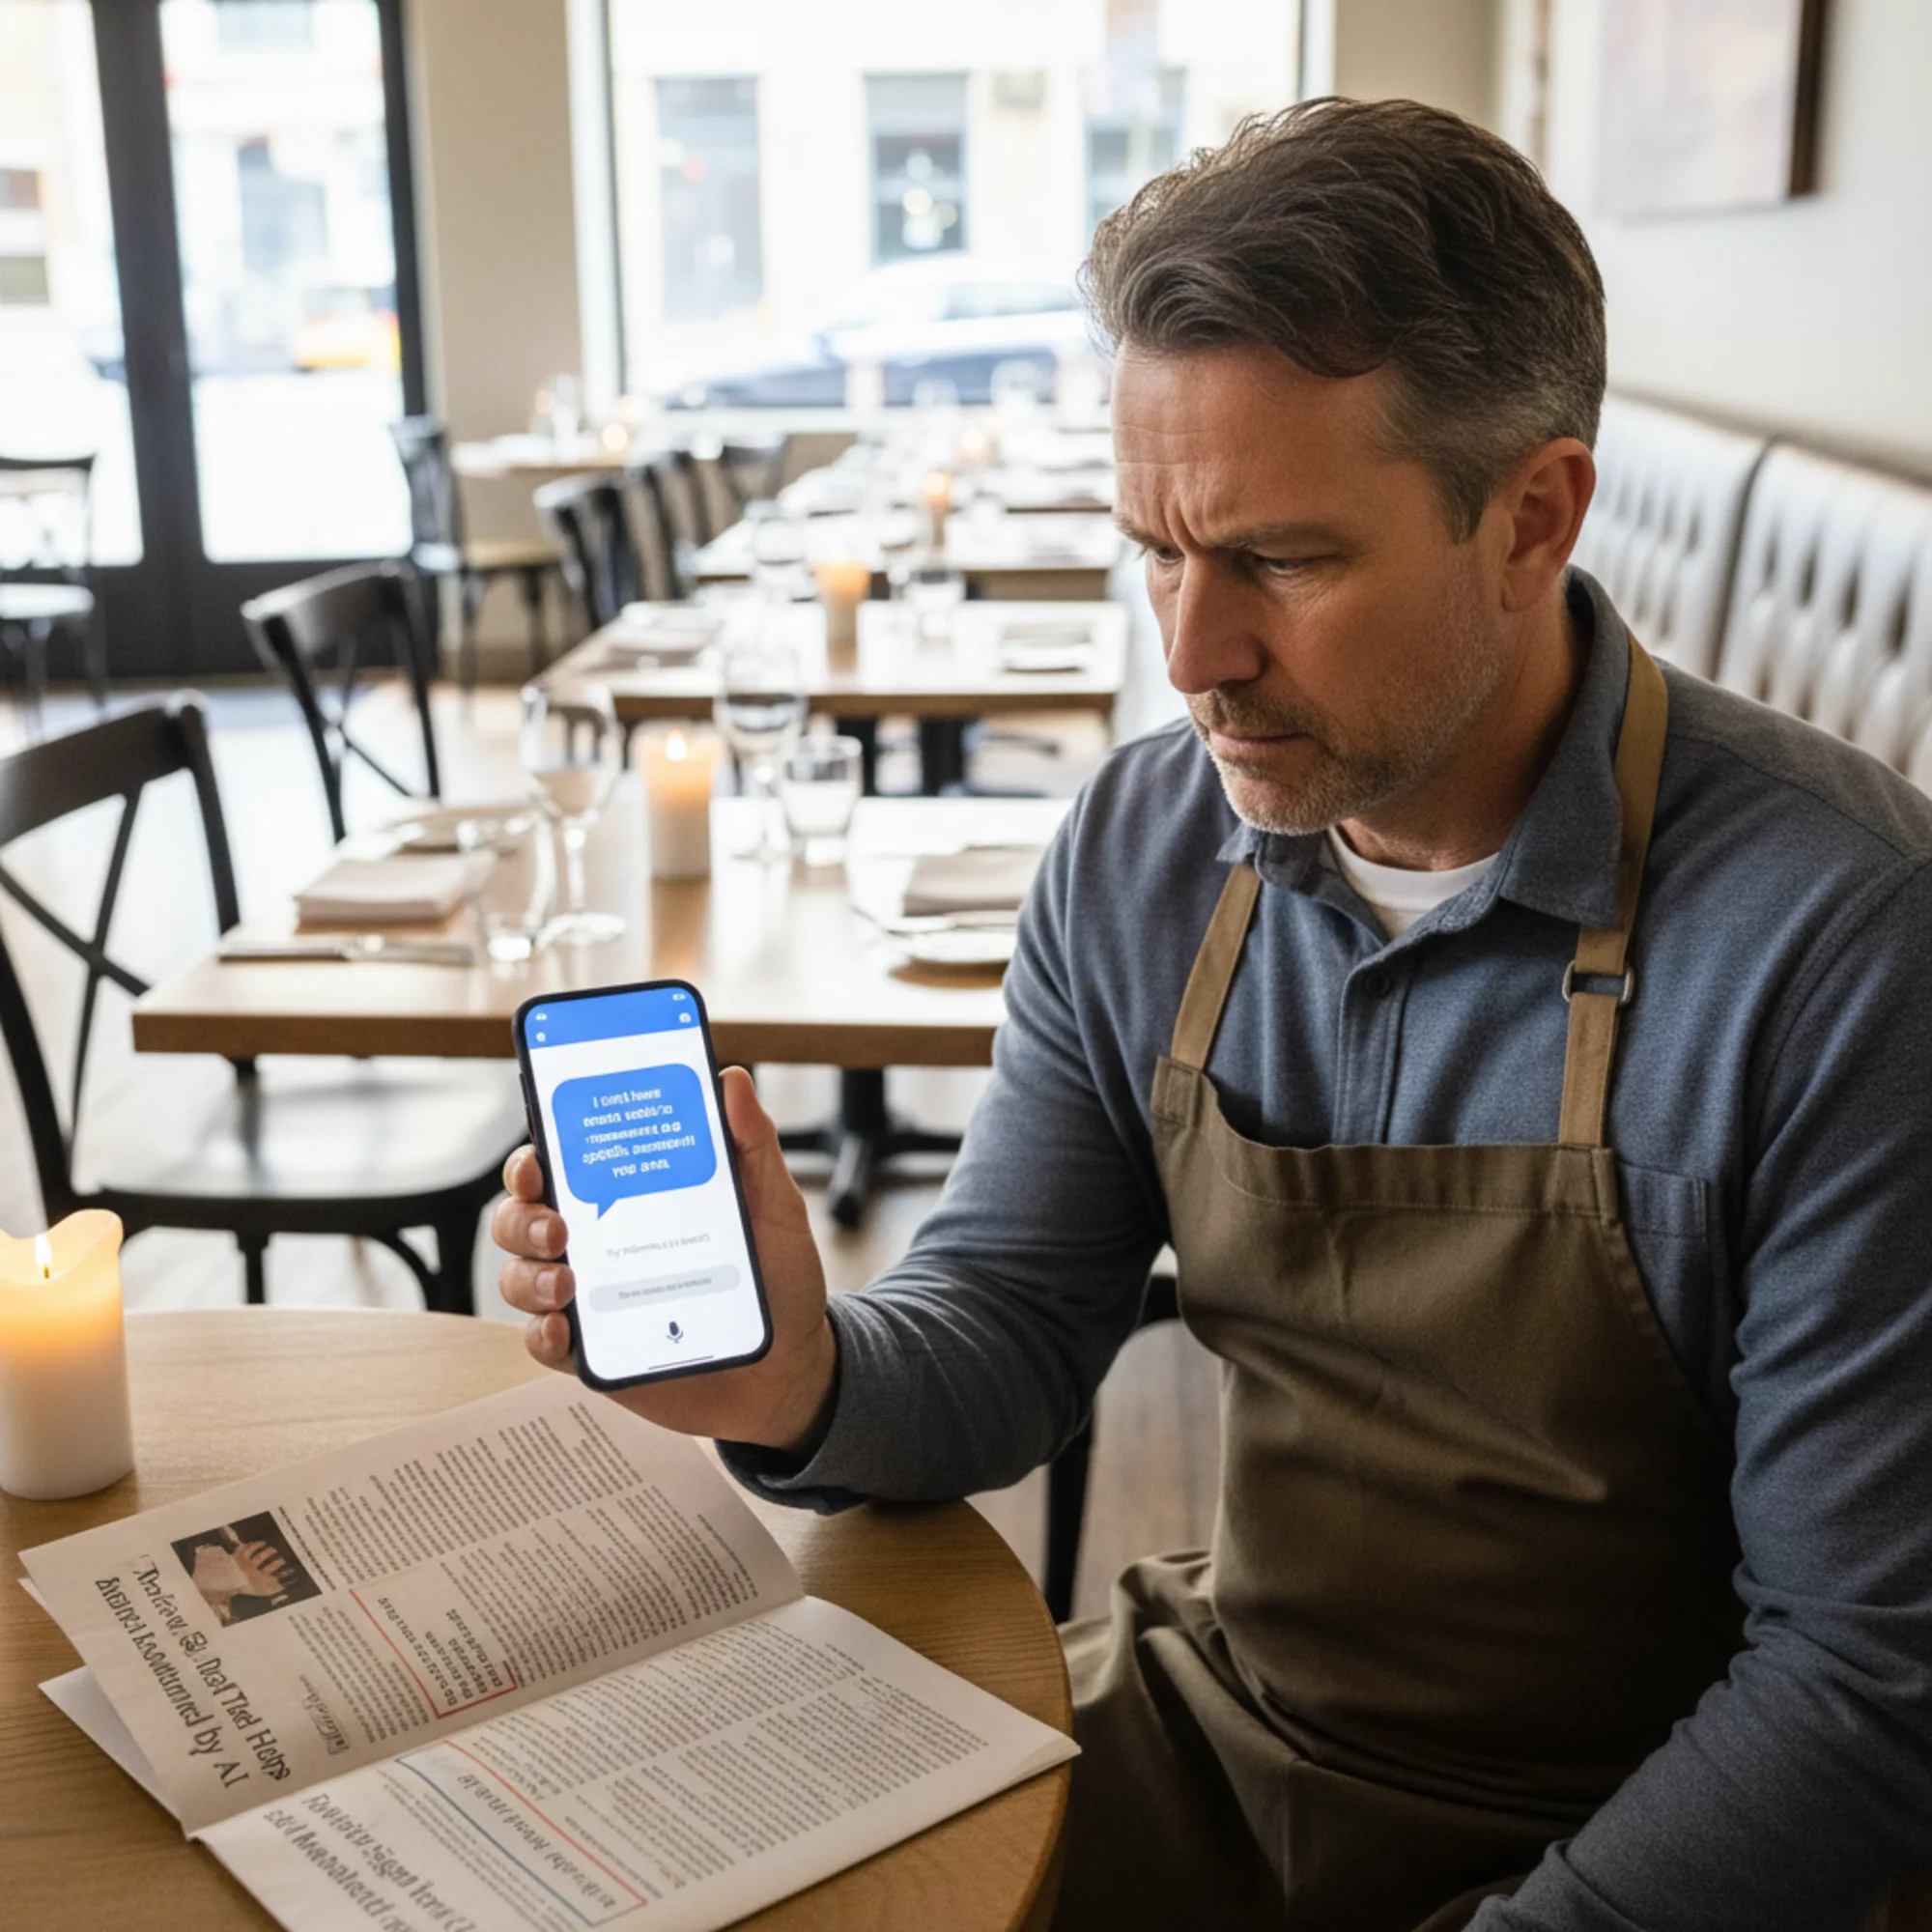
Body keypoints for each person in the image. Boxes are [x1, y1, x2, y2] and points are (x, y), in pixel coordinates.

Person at [495, 99, 1932, 1930]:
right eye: (1157, 550)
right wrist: (797, 1369)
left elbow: (1862, 1685)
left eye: (1282, 560)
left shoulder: (1849, 943)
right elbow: (1010, 1322)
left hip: (1648, 1837)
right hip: (1223, 1728)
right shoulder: (1148, 839)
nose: (1190, 654)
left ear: (1533, 517)